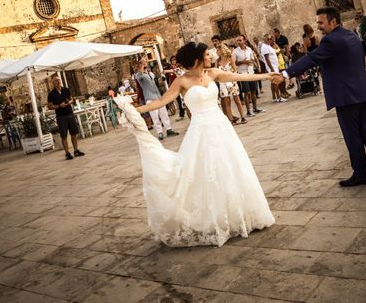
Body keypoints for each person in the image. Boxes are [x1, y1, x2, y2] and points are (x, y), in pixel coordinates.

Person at [114, 42, 277, 247]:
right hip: (200, 132)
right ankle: (213, 219)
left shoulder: (213, 73)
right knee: (203, 174)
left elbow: (242, 77)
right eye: (207, 55)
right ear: (198, 58)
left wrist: (268, 76)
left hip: (221, 128)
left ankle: (237, 214)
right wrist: (133, 110)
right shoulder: (182, 81)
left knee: (230, 169)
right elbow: (160, 102)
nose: (210, 57)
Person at [272, 6, 366, 187]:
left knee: (353, 137)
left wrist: (286, 74)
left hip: (346, 96)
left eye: (321, 22)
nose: (318, 26)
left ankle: (360, 174)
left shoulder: (331, 40)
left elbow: (311, 58)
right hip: (363, 92)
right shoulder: (351, 35)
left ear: (333, 21)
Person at [134, 58, 180, 141]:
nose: (145, 63)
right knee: (155, 116)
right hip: (149, 98)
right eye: (143, 62)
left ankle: (169, 129)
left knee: (164, 113)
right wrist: (141, 65)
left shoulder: (151, 73)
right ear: (139, 64)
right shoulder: (138, 75)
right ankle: (160, 132)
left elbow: (156, 83)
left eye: (146, 62)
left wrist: (161, 79)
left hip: (158, 96)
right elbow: (139, 77)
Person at [47, 74, 85, 160]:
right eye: (56, 81)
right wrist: (59, 106)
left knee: (73, 133)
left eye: (59, 80)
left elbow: (71, 99)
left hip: (70, 113)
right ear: (53, 83)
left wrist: (70, 102)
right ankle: (67, 153)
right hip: (61, 116)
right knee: (63, 135)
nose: (58, 81)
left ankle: (76, 150)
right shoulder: (51, 94)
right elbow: (49, 106)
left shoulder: (66, 90)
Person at [233, 35, 264, 117]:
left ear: (244, 41)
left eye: (240, 40)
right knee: (246, 92)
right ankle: (248, 111)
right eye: (237, 41)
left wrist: (252, 61)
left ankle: (255, 108)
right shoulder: (235, 51)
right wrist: (242, 62)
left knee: (254, 91)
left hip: (251, 72)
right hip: (242, 73)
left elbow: (252, 58)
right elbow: (234, 63)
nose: (238, 42)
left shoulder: (249, 49)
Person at [216, 43, 247, 124]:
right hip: (223, 83)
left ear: (222, 50)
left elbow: (235, 69)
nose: (216, 51)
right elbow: (216, 72)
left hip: (232, 82)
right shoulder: (217, 61)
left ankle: (242, 117)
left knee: (237, 100)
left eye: (218, 50)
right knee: (227, 102)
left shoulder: (230, 59)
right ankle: (231, 119)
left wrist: (233, 78)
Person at [260, 34, 285, 103]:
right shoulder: (264, 47)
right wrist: (271, 68)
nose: (269, 40)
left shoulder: (269, 46)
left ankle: (274, 97)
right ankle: (278, 97)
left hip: (275, 66)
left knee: (273, 83)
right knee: (276, 82)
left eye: (270, 39)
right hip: (272, 67)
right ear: (264, 39)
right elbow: (267, 58)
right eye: (267, 39)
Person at [164, 55, 188, 120]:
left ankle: (183, 113)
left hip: (182, 86)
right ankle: (181, 114)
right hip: (175, 87)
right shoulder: (171, 68)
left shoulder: (179, 67)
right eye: (172, 60)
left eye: (174, 59)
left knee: (184, 100)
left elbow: (176, 71)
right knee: (179, 101)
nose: (173, 61)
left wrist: (166, 71)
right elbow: (170, 79)